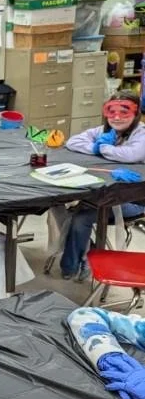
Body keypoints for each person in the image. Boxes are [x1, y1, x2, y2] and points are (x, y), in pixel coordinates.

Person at [60, 90, 145, 280]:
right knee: (57, 204)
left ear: (136, 113)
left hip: (133, 200)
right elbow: (73, 142)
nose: (117, 117)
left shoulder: (142, 134)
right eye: (111, 111)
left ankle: (72, 267)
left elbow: (132, 155)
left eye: (124, 112)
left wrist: (103, 147)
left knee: (81, 218)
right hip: (100, 193)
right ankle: (85, 253)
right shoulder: (105, 131)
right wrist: (94, 146)